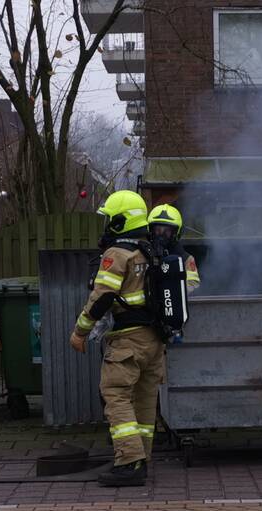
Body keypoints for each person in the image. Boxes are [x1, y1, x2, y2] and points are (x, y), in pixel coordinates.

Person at [69, 190, 163, 487]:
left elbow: (102, 298)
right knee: (145, 401)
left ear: (120, 221)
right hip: (154, 340)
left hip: (127, 341)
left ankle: (129, 462)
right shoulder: (151, 251)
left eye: (110, 219)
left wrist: (80, 332)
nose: (107, 224)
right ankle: (142, 458)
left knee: (116, 395)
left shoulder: (117, 254)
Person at [147, 204, 200, 293]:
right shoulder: (143, 254)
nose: (161, 235)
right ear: (151, 230)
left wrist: (172, 292)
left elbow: (193, 284)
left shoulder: (185, 258)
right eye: (157, 230)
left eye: (167, 231)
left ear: (176, 233)